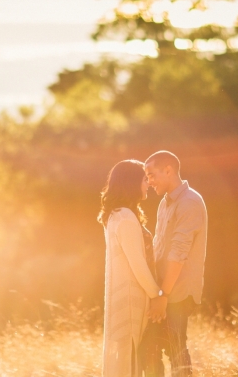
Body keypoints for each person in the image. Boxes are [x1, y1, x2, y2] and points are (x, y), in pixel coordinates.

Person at [141, 151, 208, 377]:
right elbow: (161, 248)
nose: (149, 182)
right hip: (163, 291)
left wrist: (163, 295)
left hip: (176, 293)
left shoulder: (190, 202)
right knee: (150, 349)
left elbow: (178, 254)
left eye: (151, 175)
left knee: (176, 350)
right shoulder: (165, 203)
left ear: (168, 170)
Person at [99, 160, 164, 377]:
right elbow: (138, 265)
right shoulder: (125, 218)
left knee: (128, 362)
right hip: (131, 301)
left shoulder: (117, 215)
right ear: (131, 182)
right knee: (130, 363)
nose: (148, 184)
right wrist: (158, 295)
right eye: (144, 179)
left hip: (124, 299)